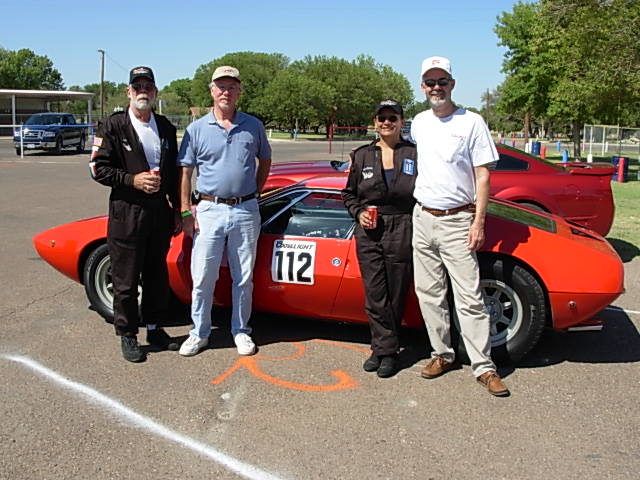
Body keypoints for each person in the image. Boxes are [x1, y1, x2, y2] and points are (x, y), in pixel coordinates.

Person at [410, 56, 510, 396]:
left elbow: (483, 175)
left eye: (442, 81)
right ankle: (442, 354)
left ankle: (484, 367)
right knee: (429, 294)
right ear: (423, 86)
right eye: (430, 82)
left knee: (469, 297)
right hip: (423, 217)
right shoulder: (419, 123)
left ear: (452, 84)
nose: (436, 87)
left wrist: (478, 221)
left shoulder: (472, 122)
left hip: (458, 220)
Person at [177, 66, 272, 357]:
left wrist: (251, 192)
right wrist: (185, 212)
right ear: (212, 91)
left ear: (239, 91)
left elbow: (264, 161)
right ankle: (199, 332)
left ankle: (240, 330)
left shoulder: (253, 126)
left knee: (243, 276)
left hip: (245, 209)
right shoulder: (196, 129)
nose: (225, 92)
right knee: (204, 275)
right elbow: (186, 172)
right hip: (208, 209)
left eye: (231, 87)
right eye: (220, 87)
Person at [90, 66, 181, 362]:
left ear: (155, 93)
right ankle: (128, 334)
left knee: (156, 275)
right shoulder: (113, 125)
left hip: (159, 214)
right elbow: (97, 168)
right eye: (137, 85)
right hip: (126, 213)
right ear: (128, 92)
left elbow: (175, 173)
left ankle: (155, 328)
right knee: (126, 280)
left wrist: (178, 211)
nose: (143, 90)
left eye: (148, 86)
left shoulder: (165, 127)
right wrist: (133, 180)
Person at [342, 100, 417, 378]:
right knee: (375, 293)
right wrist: (359, 212)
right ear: (375, 122)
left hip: (402, 225)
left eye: (392, 117)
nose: (387, 122)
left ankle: (387, 350)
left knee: (396, 292)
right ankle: (382, 349)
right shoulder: (362, 155)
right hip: (370, 228)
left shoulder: (414, 153)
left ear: (401, 121)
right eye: (382, 118)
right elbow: (348, 194)